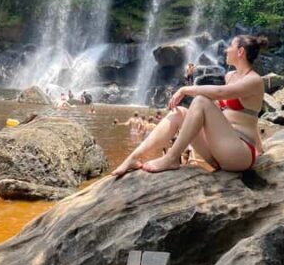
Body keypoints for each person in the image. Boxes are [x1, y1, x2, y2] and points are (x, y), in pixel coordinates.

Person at [112, 35, 266, 176]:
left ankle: (172, 157)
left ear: (240, 52)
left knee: (200, 101)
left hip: (239, 153)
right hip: (220, 150)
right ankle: (133, 157)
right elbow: (248, 116)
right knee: (179, 112)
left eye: (230, 46)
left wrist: (185, 89)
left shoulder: (253, 80)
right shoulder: (230, 76)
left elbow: (219, 93)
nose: (226, 50)